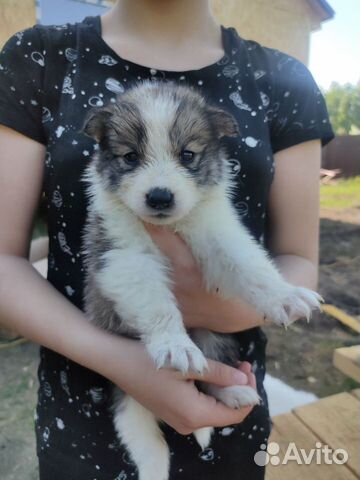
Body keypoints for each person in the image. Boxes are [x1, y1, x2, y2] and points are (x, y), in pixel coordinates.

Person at [0, 0, 334, 479]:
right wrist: (144, 352)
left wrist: (268, 296)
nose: (160, 186)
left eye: (188, 156)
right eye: (131, 158)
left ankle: (211, 385)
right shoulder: (39, 57)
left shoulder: (284, 81)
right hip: (80, 420)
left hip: (234, 425)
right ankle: (141, 418)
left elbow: (245, 250)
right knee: (132, 266)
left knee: (225, 260)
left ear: (214, 146)